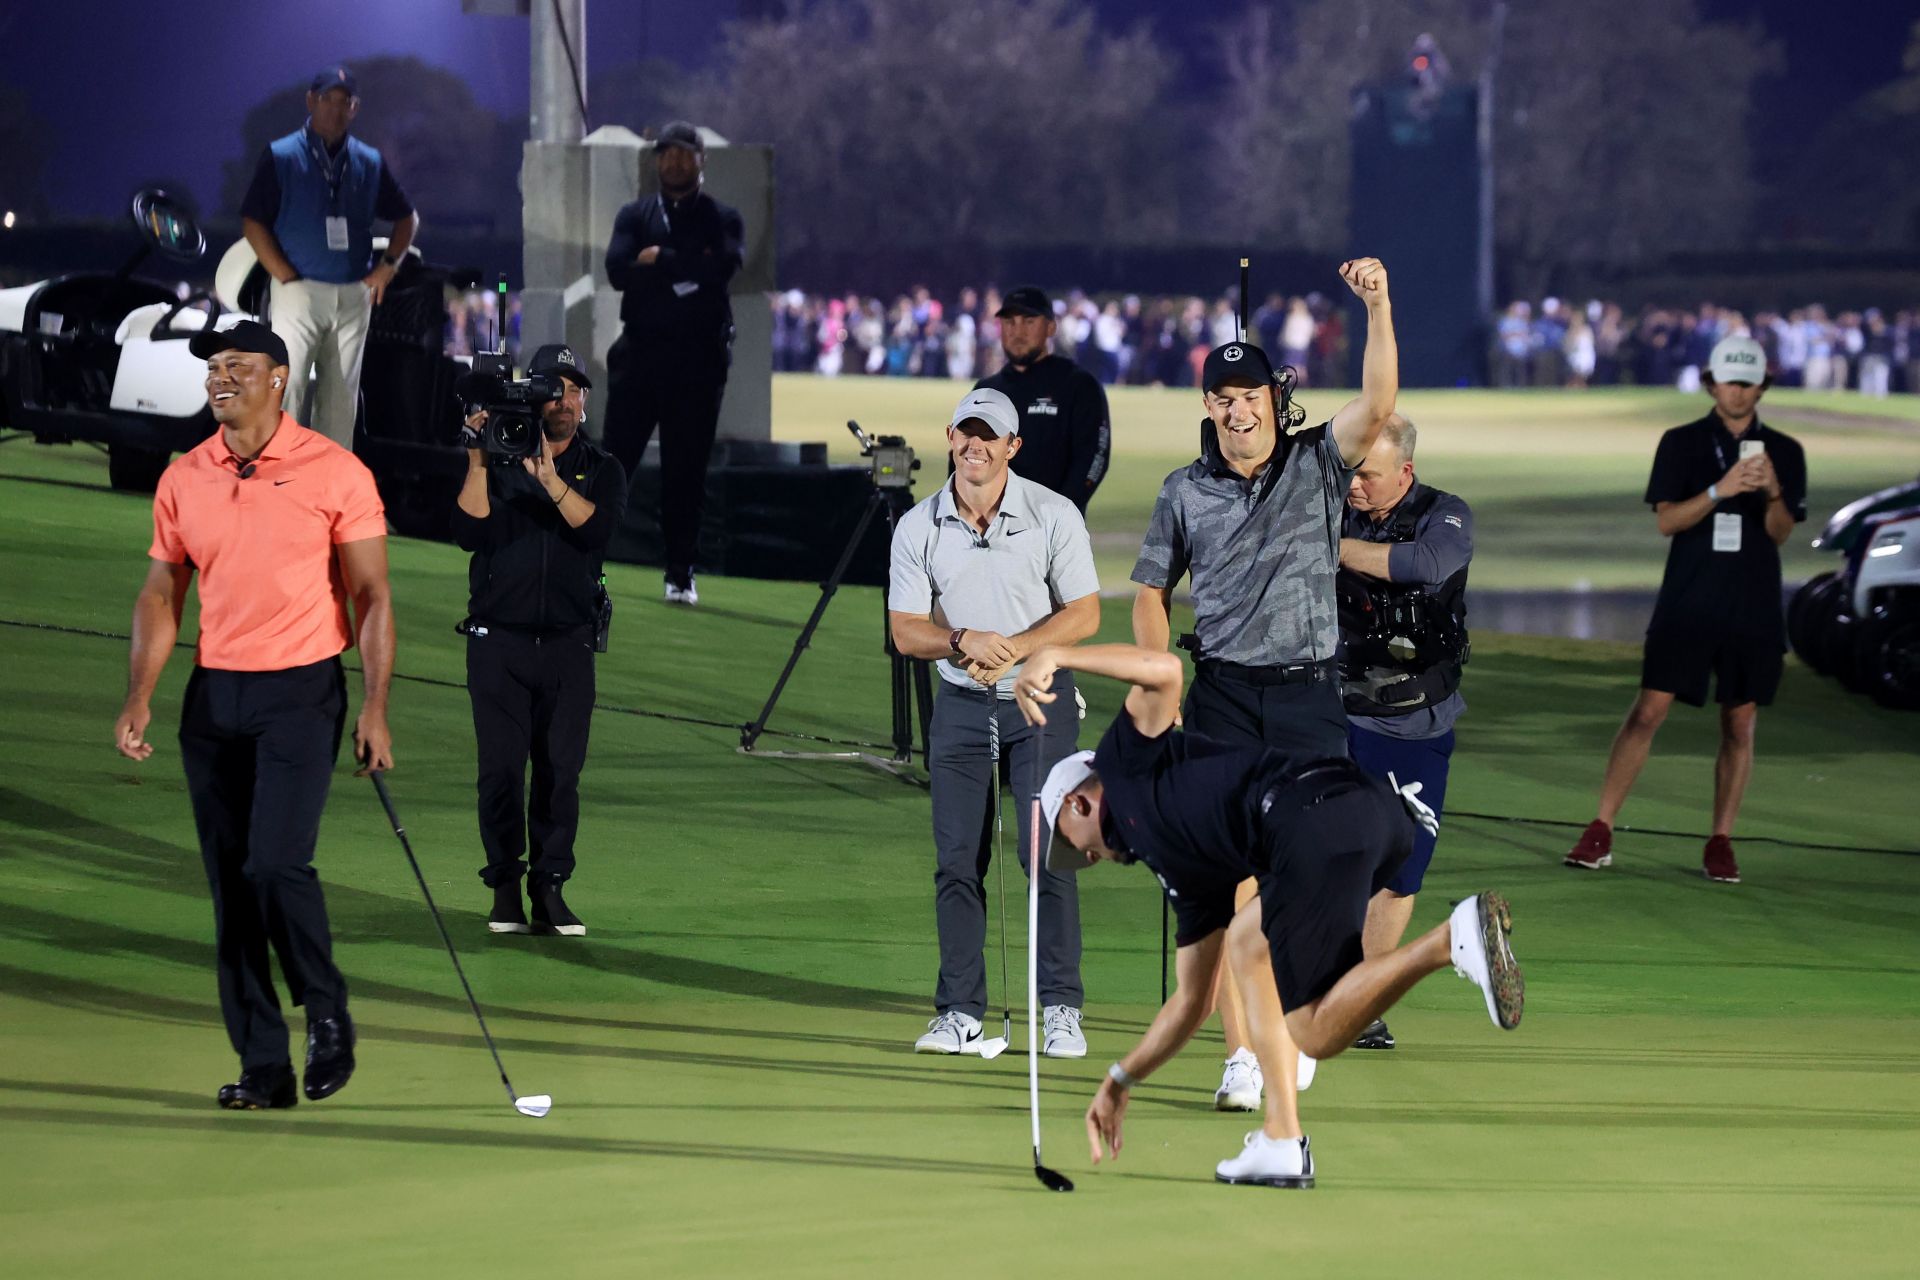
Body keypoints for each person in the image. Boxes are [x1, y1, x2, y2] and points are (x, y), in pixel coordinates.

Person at [1011, 642, 1521, 1187]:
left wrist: (1056, 654)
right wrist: (1119, 1080)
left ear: (1078, 804)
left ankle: (1449, 939)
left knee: (1315, 1031)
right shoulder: (1184, 871)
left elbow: (1164, 670)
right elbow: (1193, 1002)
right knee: (1249, 943)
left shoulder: (1124, 760)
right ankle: (1281, 1139)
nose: (1088, 860)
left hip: (1311, 823)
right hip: (1363, 810)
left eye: (1075, 848)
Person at [1132, 257, 1398, 1112]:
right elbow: (1148, 590)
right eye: (1223, 398)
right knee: (1236, 873)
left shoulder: (1319, 463)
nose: (1238, 409)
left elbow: (1380, 404)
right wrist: (1159, 675)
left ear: (1273, 404)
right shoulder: (1185, 490)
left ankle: (1302, 1010)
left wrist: (1378, 307)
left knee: (1308, 867)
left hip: (1307, 695)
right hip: (1220, 697)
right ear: (1208, 407)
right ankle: (1247, 1054)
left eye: (1251, 396)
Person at [112, 320, 395, 1110]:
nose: (219, 378)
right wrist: (141, 692)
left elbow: (371, 595)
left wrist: (374, 704)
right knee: (231, 890)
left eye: (238, 366)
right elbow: (163, 592)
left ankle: (326, 1007)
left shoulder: (335, 473)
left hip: (302, 694)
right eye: (213, 367)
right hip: (215, 696)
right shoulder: (185, 477)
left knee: (275, 865)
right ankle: (264, 1066)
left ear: (280, 377)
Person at [888, 387, 1101, 1058]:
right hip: (959, 704)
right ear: (949, 438)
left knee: (1047, 854)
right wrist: (960, 643)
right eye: (964, 432)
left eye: (990, 435)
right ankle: (959, 1011)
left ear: (1013, 446)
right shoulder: (918, 525)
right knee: (956, 861)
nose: (974, 445)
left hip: (1039, 698)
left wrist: (1013, 647)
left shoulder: (1053, 514)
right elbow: (904, 630)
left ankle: (1061, 1008)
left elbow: (1084, 613)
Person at [1566, 335, 1807, 882]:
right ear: (1710, 382)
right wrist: (1721, 491)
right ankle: (1600, 828)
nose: (1738, 391)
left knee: (1740, 722)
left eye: (1749, 382)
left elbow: (1781, 533)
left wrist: (1772, 492)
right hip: (1688, 598)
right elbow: (1668, 521)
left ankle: (1720, 839)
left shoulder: (1785, 452)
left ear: (1762, 386)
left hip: (1753, 603)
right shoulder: (1681, 442)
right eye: (1729, 380)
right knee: (1649, 709)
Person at [451, 344, 628, 937]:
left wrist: (550, 480)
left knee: (560, 771)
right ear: (536, 397)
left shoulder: (602, 467)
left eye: (577, 391)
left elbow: (597, 527)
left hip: (568, 644)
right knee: (500, 770)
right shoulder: (497, 456)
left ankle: (550, 889)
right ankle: (504, 888)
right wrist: (478, 459)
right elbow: (467, 532)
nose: (569, 401)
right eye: (558, 389)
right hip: (498, 641)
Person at [1335, 414, 1473, 1050]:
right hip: (1335, 712)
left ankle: (1360, 998)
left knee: (1401, 869)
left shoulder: (1445, 515)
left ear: (1406, 473)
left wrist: (1328, 546)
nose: (1355, 486)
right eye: (1352, 470)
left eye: (1368, 474)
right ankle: (1327, 991)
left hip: (1415, 721)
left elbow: (1424, 564)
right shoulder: (1331, 499)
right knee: (1331, 855)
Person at [601, 121, 746, 607]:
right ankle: (584, 561)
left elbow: (721, 268)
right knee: (614, 464)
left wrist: (660, 258)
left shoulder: (722, 217)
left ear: (701, 160)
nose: (675, 162)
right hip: (640, 354)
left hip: (697, 362)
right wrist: (688, 265)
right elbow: (618, 270)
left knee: (686, 471)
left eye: (685, 154)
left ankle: (680, 572)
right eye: (667, 154)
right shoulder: (634, 213)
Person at [239, 65, 418, 448]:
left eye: (344, 102)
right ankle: (273, 479)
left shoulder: (368, 160)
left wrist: (387, 268)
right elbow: (253, 221)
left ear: (355, 108)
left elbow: (407, 218)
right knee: (288, 388)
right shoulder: (282, 155)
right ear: (311, 101)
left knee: (340, 404)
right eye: (326, 99)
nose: (335, 109)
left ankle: (327, 496)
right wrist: (285, 276)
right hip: (299, 290)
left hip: (353, 294)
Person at [973, 285, 1112, 513]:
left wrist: (1058, 514)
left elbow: (1095, 457)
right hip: (989, 533)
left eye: (1028, 322)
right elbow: (963, 460)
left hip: (1054, 534)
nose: (1017, 332)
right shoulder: (985, 391)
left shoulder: (1078, 386)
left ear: (1050, 327)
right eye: (1009, 322)